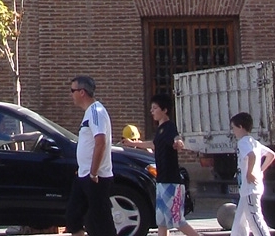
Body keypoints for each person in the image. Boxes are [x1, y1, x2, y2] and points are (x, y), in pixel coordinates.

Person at [123, 93, 198, 236]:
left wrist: (178, 143)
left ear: (165, 110)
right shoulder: (160, 129)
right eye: (151, 108)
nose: (152, 111)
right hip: (162, 180)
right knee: (161, 221)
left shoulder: (169, 127)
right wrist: (134, 144)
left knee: (177, 220)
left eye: (155, 108)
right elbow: (154, 144)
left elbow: (176, 138)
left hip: (172, 181)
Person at [64, 75, 117, 236]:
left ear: (82, 92)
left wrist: (93, 172)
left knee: (100, 223)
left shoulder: (96, 112)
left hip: (96, 177)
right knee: (73, 217)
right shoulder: (89, 113)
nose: (71, 94)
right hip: (84, 174)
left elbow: (100, 142)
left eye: (72, 90)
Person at [229, 112, 275, 236]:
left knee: (255, 219)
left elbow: (252, 155)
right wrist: (260, 170)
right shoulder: (254, 142)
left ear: (240, 127)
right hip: (249, 188)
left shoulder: (243, 142)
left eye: (233, 128)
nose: (233, 131)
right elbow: (271, 155)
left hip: (249, 188)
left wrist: (250, 173)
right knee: (239, 222)